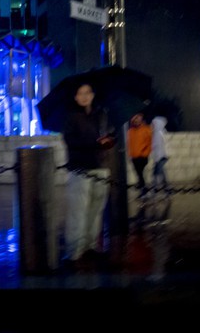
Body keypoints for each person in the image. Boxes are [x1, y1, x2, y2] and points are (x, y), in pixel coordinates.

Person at [61, 83, 116, 269]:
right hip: (80, 168)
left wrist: (109, 140)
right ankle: (75, 250)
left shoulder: (101, 114)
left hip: (101, 166)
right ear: (75, 97)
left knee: (96, 209)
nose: (84, 96)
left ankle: (91, 245)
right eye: (80, 93)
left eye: (87, 92)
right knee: (78, 211)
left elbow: (109, 133)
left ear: (93, 95)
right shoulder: (70, 117)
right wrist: (94, 142)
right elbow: (70, 141)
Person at [127, 112, 152, 191]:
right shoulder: (130, 131)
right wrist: (130, 154)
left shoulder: (146, 129)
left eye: (138, 118)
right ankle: (143, 187)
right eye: (134, 118)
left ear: (141, 118)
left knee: (140, 173)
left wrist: (145, 153)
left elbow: (149, 142)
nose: (136, 120)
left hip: (142, 156)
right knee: (139, 173)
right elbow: (129, 143)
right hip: (134, 156)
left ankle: (143, 188)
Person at [150, 116, 169, 188]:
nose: (151, 125)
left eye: (153, 124)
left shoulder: (158, 134)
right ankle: (167, 191)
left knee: (155, 174)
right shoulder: (160, 132)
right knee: (162, 174)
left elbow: (159, 147)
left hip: (160, 158)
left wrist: (157, 159)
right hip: (160, 157)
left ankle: (154, 190)